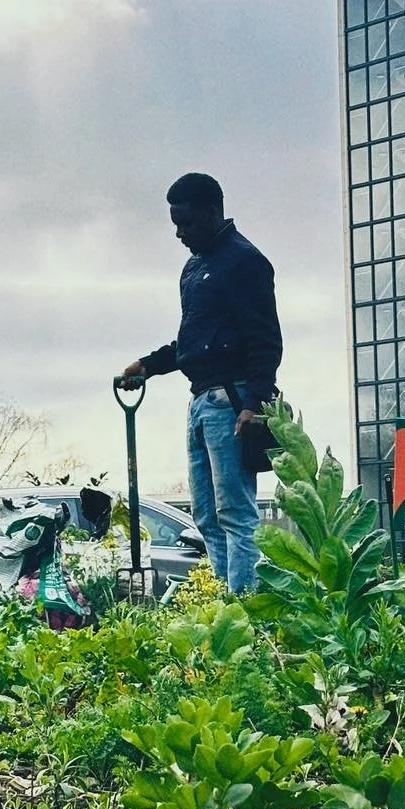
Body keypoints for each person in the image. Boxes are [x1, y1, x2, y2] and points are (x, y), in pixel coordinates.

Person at [121, 173, 282, 594]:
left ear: (212, 213)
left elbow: (266, 340)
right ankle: (226, 601)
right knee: (207, 516)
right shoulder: (195, 268)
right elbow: (195, 342)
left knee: (236, 514)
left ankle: (244, 607)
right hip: (199, 403)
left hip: (231, 403)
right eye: (175, 224)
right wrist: (148, 365)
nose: (179, 233)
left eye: (187, 223)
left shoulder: (245, 261)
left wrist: (254, 404)